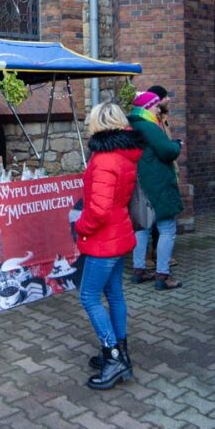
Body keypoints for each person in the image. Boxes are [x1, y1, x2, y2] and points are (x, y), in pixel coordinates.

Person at [73, 102, 144, 390]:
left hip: (104, 239)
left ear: (98, 124)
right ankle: (121, 353)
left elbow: (99, 210)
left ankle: (113, 357)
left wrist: (81, 226)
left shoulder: (104, 159)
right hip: (119, 233)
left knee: (88, 297)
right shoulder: (125, 154)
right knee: (114, 294)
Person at [127, 91, 183, 290]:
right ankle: (162, 275)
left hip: (139, 183)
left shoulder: (131, 124)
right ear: (148, 107)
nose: (159, 109)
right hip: (156, 183)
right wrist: (176, 145)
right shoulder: (149, 126)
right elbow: (167, 151)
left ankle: (138, 270)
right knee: (167, 228)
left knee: (142, 227)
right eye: (156, 106)